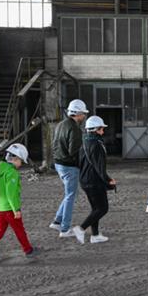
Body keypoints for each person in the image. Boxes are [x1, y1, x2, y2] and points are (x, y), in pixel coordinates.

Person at [0, 143, 35, 265]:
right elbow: (11, 194)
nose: (21, 164)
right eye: (21, 161)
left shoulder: (2, 169)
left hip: (1, 207)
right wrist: (16, 209)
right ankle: (28, 250)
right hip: (10, 208)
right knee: (19, 229)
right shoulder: (12, 173)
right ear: (15, 159)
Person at [49, 99, 89, 237]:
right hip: (69, 166)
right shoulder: (75, 129)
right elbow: (74, 151)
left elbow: (54, 144)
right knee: (71, 196)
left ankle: (57, 221)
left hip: (59, 163)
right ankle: (65, 229)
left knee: (69, 194)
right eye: (83, 114)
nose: (84, 116)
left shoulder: (60, 124)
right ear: (77, 113)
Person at [74, 116, 116, 244]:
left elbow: (79, 162)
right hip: (94, 182)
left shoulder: (84, 142)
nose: (103, 131)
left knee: (95, 209)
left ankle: (95, 235)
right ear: (95, 130)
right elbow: (99, 167)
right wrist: (108, 181)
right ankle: (81, 228)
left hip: (85, 180)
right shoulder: (97, 144)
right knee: (103, 208)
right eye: (101, 129)